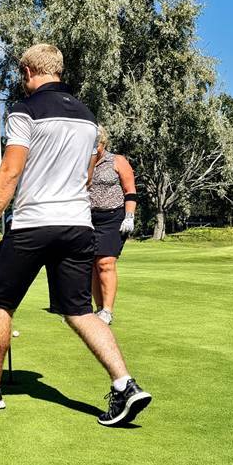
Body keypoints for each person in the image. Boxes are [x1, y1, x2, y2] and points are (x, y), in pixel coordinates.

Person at [0, 44, 151, 427]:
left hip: (33, 223)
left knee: (2, 303)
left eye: (22, 72)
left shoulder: (24, 111)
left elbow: (10, 171)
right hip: (78, 225)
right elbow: (84, 176)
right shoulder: (87, 117)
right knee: (80, 311)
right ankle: (125, 384)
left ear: (31, 71)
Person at [89, 125, 138, 325]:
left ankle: (108, 311)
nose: (94, 148)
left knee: (105, 262)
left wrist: (129, 216)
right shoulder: (84, 163)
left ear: (103, 142)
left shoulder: (117, 161)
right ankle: (98, 309)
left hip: (113, 218)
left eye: (96, 144)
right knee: (92, 264)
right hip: (88, 218)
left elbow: (130, 190)